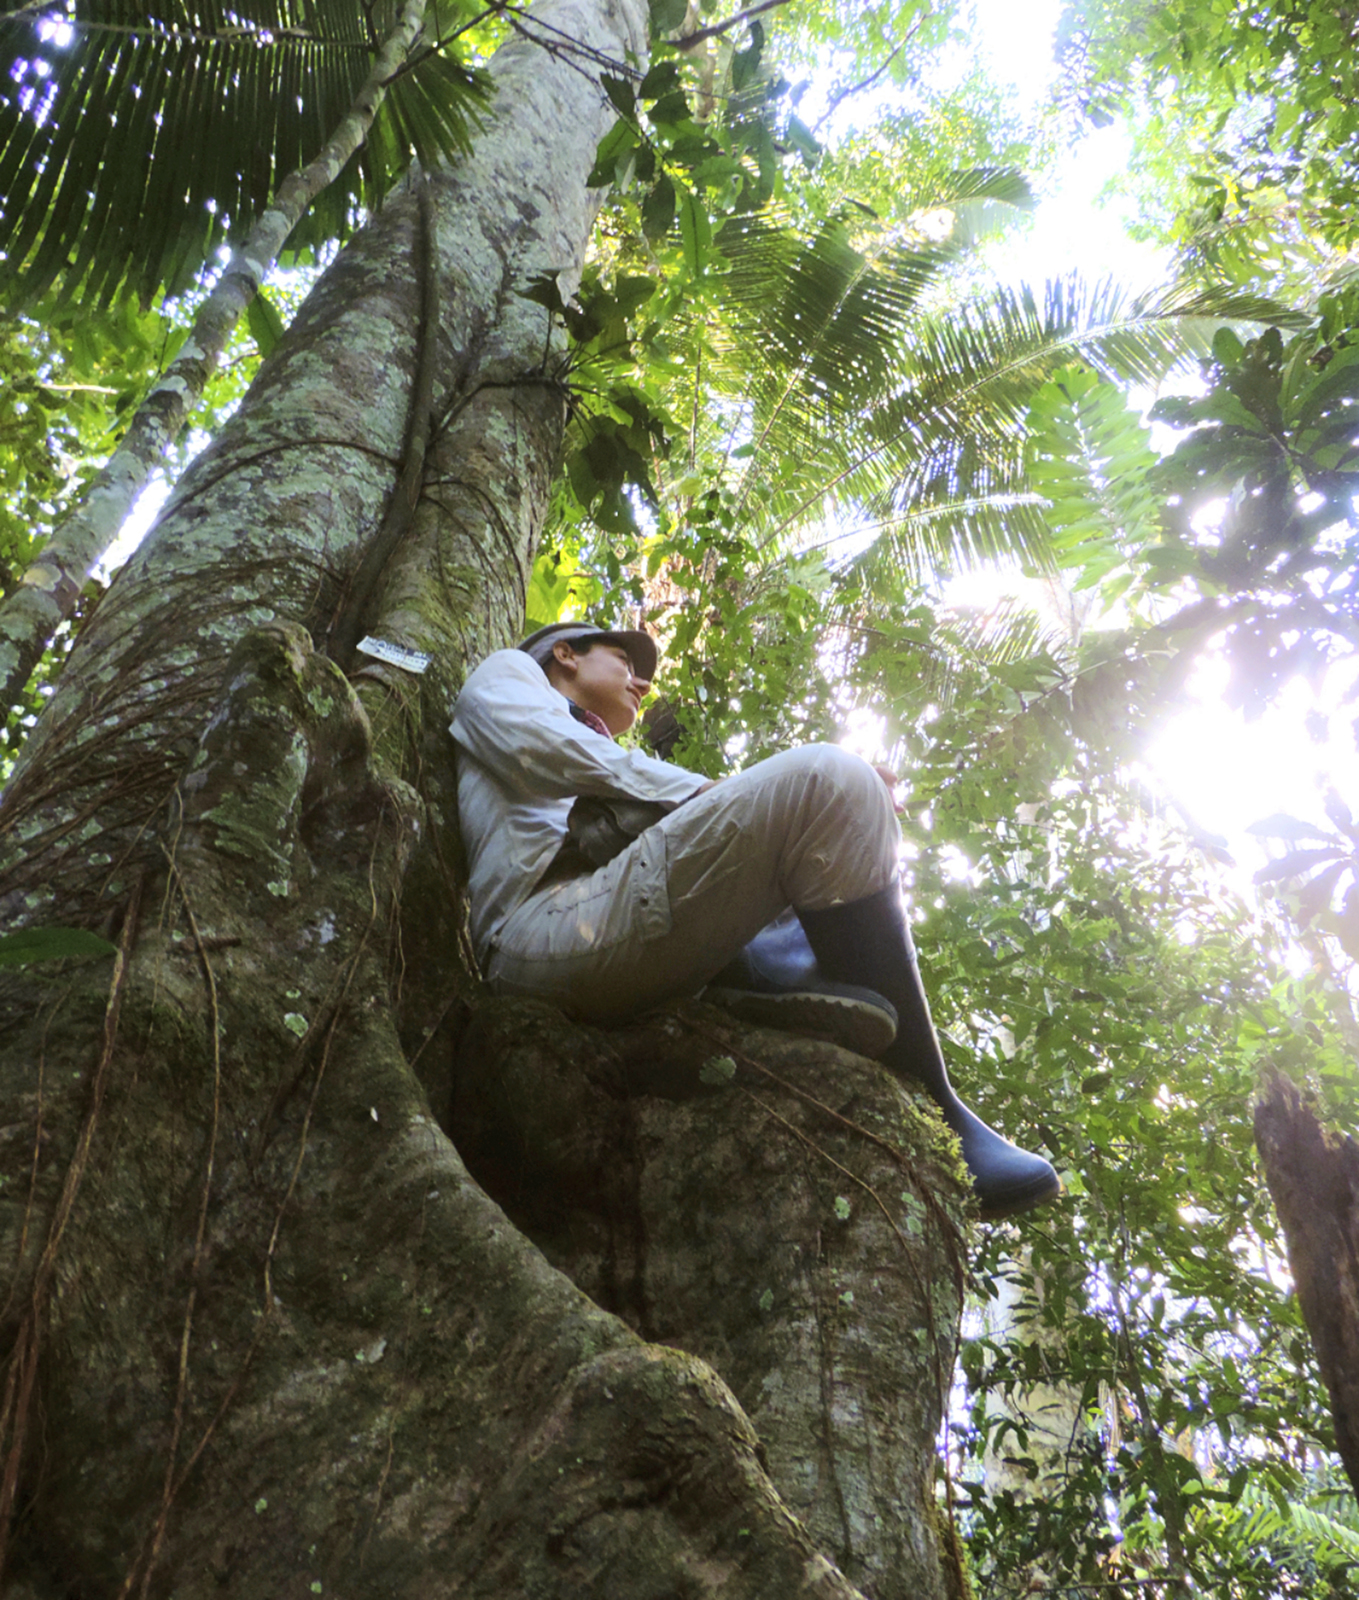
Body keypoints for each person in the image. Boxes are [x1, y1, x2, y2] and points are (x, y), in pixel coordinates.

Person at [450, 621, 1060, 1218]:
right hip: (536, 928)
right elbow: (546, 749)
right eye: (625, 661)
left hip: (609, 920)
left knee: (845, 805)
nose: (641, 683)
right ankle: (937, 1107)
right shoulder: (510, 676)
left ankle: (761, 979)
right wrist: (729, 791)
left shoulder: (610, 756)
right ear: (565, 654)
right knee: (830, 779)